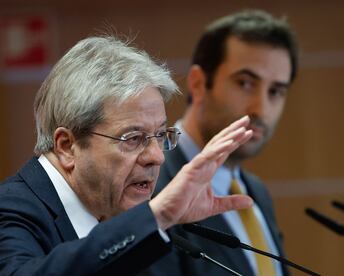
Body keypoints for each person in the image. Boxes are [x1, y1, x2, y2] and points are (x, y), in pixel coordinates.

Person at [0, 35, 255, 275]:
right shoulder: (9, 211)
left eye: (159, 135)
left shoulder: (114, 215)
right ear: (67, 146)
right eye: (133, 139)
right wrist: (158, 215)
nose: (157, 157)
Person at [145, 9, 298, 276]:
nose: (261, 108)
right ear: (199, 83)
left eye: (275, 91)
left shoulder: (256, 191)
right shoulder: (151, 185)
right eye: (246, 83)